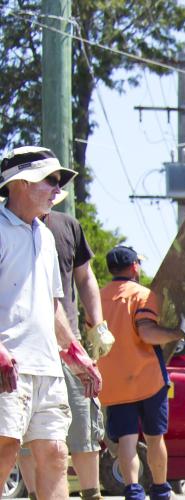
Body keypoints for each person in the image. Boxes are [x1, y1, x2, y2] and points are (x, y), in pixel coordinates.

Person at [0, 146, 102, 500]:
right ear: (22, 183)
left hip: (47, 365)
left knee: (57, 454)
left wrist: (77, 354)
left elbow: (53, 305)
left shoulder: (46, 236)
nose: (58, 190)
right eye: (51, 180)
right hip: (7, 364)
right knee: (5, 450)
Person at [17, 201, 115, 500]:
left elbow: (84, 277)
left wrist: (97, 323)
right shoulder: (8, 226)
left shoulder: (66, 226)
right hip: (22, 346)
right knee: (23, 436)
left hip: (67, 343)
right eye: (48, 180)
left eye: (58, 182)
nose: (55, 188)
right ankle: (35, 495)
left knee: (84, 427)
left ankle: (91, 494)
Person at [98, 245, 185, 500]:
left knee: (127, 441)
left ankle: (133, 490)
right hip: (148, 378)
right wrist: (178, 332)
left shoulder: (96, 298)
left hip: (115, 381)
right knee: (154, 437)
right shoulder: (143, 295)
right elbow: (147, 333)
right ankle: (161, 489)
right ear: (134, 267)